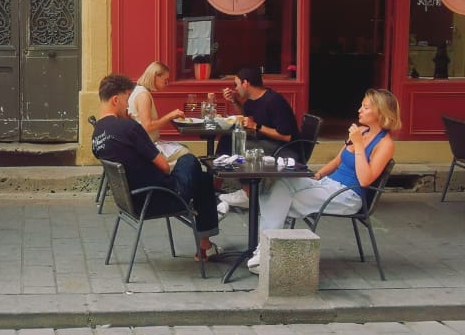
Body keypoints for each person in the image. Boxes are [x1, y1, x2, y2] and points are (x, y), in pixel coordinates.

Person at [247, 88, 400, 273]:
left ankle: (266, 251)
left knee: (279, 199)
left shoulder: (385, 144)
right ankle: (270, 247)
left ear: (381, 113)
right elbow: (337, 161)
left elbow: (365, 180)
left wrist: (358, 145)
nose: (359, 109)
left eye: (366, 107)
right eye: (361, 105)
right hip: (327, 184)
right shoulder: (361, 131)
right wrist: (317, 175)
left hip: (348, 196)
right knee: (280, 183)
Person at [91, 73, 223, 260]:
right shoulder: (129, 128)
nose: (128, 105)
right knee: (190, 160)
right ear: (115, 99)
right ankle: (206, 240)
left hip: (130, 201)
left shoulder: (97, 133)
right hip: (160, 198)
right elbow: (165, 167)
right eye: (127, 99)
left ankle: (205, 247)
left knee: (202, 180)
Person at [216, 66, 298, 213]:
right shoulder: (252, 100)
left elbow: (286, 136)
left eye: (237, 84)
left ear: (246, 83)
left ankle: (248, 194)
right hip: (266, 141)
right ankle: (219, 185)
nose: (235, 88)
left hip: (283, 147)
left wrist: (257, 126)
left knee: (240, 146)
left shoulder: (274, 101)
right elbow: (245, 118)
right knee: (227, 139)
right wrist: (234, 101)